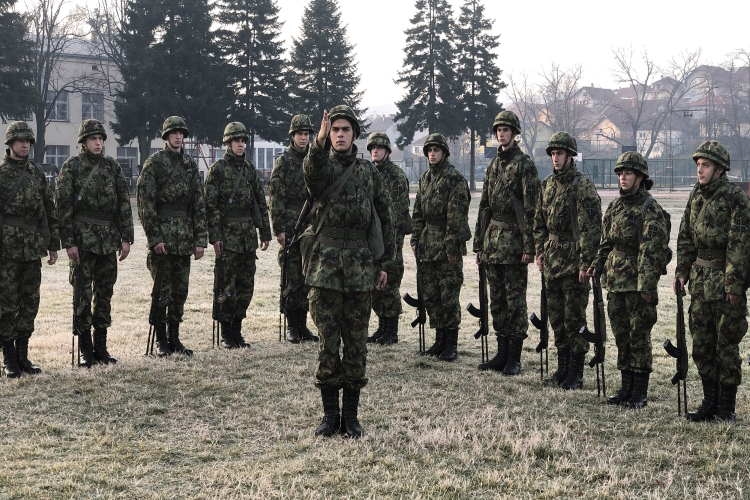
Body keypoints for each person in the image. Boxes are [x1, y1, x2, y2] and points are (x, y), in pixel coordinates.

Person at [303, 105, 394, 438]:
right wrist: (318, 142)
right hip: (325, 269)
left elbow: (385, 219)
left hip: (359, 267)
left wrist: (385, 262)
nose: (340, 134)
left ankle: (351, 417)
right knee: (328, 343)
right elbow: (311, 177)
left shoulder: (369, 173)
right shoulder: (322, 166)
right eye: (336, 129)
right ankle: (330, 416)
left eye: (345, 129)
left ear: (355, 135)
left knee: (356, 343)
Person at [588, 152, 671, 409]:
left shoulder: (650, 209)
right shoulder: (615, 207)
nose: (623, 177)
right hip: (615, 281)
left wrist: (646, 285)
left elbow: (652, 250)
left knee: (639, 335)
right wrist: (596, 266)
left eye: (629, 173)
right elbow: (606, 243)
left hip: (638, 282)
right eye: (620, 173)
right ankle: (625, 387)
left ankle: (639, 391)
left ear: (640, 177)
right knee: (621, 334)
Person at [676, 141, 750, 422]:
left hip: (725, 282)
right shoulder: (696, 195)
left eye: (705, 165)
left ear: (719, 169)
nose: (700, 170)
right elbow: (685, 234)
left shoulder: (735, 198)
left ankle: (726, 407)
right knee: (702, 344)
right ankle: (709, 402)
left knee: (726, 344)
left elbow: (740, 244)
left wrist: (733, 284)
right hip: (700, 281)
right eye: (698, 165)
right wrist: (682, 270)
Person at [56, 119, 134, 366]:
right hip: (82, 240)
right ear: (83, 142)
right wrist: (68, 242)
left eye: (100, 139)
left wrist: (127, 237)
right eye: (93, 139)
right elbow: (63, 206)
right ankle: (85, 350)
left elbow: (123, 202)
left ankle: (101, 348)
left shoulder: (112, 167)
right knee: (82, 294)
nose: (98, 143)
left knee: (105, 295)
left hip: (108, 239)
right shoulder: (72, 167)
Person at [533, 132, 601, 389]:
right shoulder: (548, 185)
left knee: (574, 318)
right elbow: (538, 222)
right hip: (552, 260)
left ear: (570, 156)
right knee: (557, 318)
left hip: (574, 261)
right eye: (552, 154)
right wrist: (540, 251)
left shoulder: (582, 186)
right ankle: (562, 369)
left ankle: (576, 372)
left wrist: (586, 263)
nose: (555, 158)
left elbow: (592, 228)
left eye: (559, 153)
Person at [474, 110, 539, 375]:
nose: (502, 134)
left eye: (506, 130)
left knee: (515, 300)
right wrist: (479, 243)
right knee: (497, 299)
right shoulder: (493, 165)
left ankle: (514, 357)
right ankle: (501, 354)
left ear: (514, 133)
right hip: (493, 241)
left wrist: (529, 246)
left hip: (514, 240)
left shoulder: (524, 164)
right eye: (498, 130)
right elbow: (485, 206)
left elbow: (532, 207)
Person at [137, 116, 207, 357]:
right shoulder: (154, 164)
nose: (178, 137)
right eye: (173, 133)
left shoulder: (189, 164)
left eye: (181, 133)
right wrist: (155, 238)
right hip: (164, 239)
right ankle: (161, 340)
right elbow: (146, 204)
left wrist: (200, 240)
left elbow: (198, 204)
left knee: (180, 292)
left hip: (184, 239)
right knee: (161, 292)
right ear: (165, 136)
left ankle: (175, 338)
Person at [0, 121, 59, 377]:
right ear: (10, 144)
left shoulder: (37, 174)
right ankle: (9, 358)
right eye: (20, 140)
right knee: (7, 304)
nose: (25, 144)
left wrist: (52, 244)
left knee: (30, 302)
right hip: (7, 249)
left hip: (32, 248)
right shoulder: (1, 175)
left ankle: (23, 356)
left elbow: (48, 209)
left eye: (28, 141)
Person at [205, 122, 271, 348]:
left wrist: (265, 231)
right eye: (236, 141)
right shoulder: (218, 169)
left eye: (243, 141)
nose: (241, 144)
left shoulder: (249, 169)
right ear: (228, 143)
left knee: (245, 286)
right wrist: (215, 237)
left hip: (247, 236)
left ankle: (238, 330)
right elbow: (210, 206)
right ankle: (227, 334)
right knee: (226, 286)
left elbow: (260, 202)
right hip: (228, 236)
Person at [411, 133, 471, 362]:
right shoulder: (426, 178)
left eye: (436, 150)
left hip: (446, 247)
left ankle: (451, 344)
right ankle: (439, 339)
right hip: (427, 245)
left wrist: (452, 249)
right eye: (429, 150)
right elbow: (418, 213)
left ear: (444, 152)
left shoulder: (454, 179)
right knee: (431, 295)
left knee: (448, 295)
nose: (432, 154)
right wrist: (416, 239)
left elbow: (456, 219)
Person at [270, 114, 318, 343]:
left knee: (308, 276)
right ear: (292, 136)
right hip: (290, 225)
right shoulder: (284, 161)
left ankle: (303, 325)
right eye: (299, 134)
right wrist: (278, 228)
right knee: (291, 277)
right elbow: (277, 197)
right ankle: (292, 326)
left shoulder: (315, 159)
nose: (303, 137)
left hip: (312, 225)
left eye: (306, 134)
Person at [365, 132, 412, 345]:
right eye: (372, 148)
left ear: (387, 151)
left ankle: (391, 330)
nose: (375, 150)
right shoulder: (369, 172)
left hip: (391, 237)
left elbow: (396, 212)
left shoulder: (396, 176)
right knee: (376, 284)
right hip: (372, 237)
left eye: (379, 148)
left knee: (390, 282)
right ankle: (382, 328)